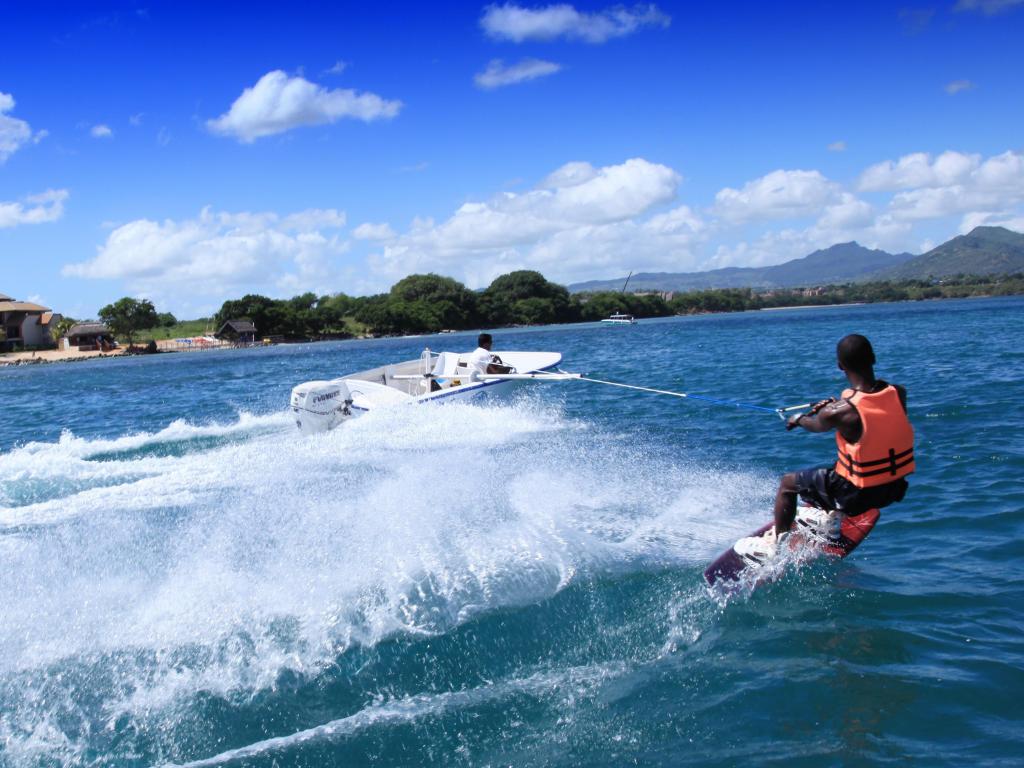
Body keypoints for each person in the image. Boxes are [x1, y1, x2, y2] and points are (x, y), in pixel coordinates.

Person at [764, 334, 915, 554]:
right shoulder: (899, 394)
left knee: (788, 483)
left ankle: (776, 546)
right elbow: (870, 412)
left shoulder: (838, 412)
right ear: (873, 358)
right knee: (842, 464)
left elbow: (816, 425)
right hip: (892, 489)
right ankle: (830, 519)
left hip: (854, 497)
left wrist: (798, 418)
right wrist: (836, 407)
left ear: (840, 366)